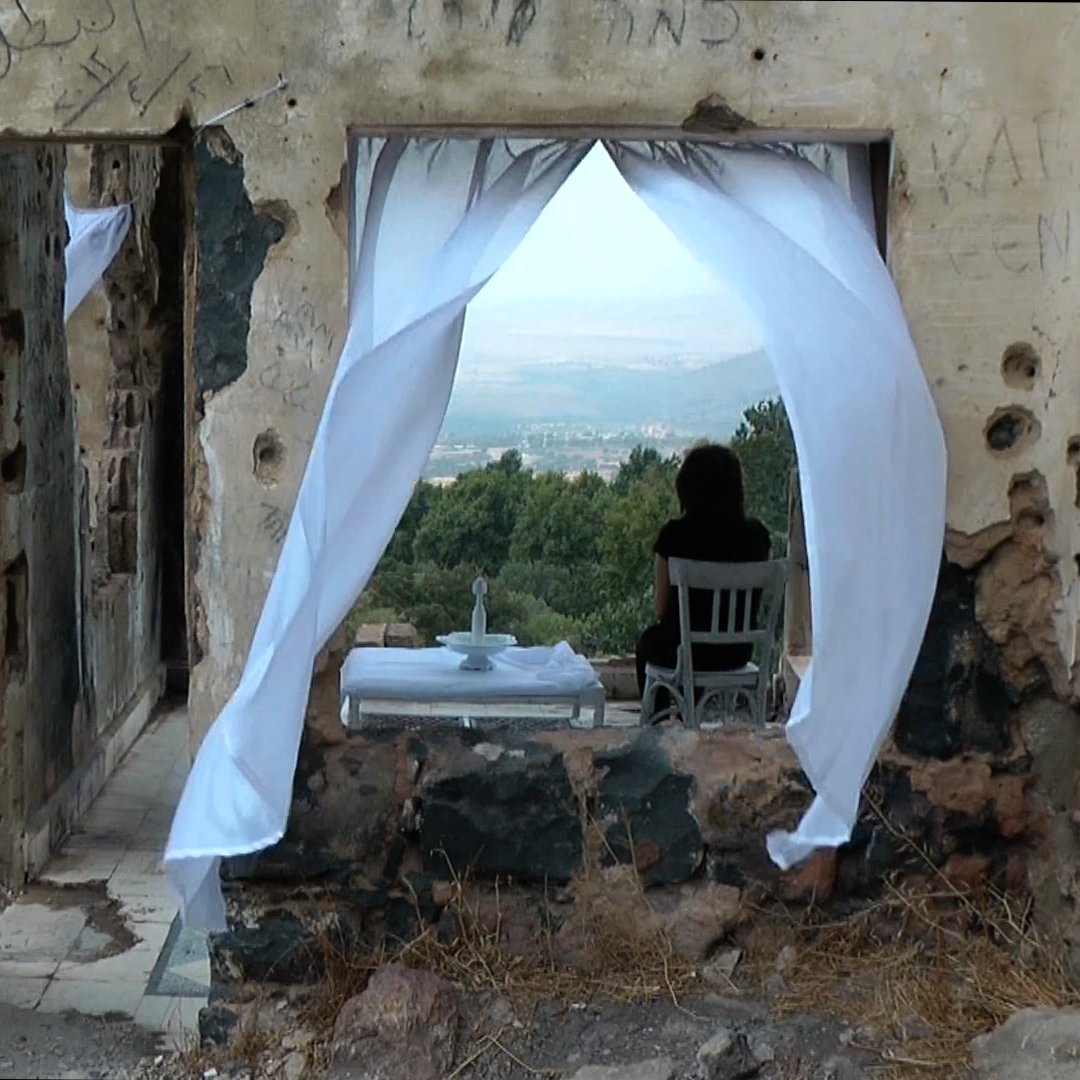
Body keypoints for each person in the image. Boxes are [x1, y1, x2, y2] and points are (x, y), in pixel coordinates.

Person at [635, 442, 771, 716]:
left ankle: (658, 724)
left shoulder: (674, 536)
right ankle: (696, 715)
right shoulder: (758, 537)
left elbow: (660, 609)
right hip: (736, 653)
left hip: (685, 653)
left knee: (649, 643)